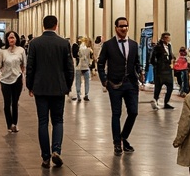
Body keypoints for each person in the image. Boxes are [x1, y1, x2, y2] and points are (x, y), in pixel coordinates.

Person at [25, 14, 74, 168]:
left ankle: (45, 157)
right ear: (56, 26)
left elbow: (30, 67)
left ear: (43, 26)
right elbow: (69, 68)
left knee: (43, 121)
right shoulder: (64, 43)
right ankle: (56, 150)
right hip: (58, 88)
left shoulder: (34, 43)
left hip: (40, 88)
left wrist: (30, 85)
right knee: (58, 120)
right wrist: (68, 86)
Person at [97, 16, 141, 155]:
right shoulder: (108, 45)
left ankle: (123, 137)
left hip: (131, 84)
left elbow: (136, 62)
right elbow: (100, 63)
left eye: (126, 26)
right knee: (116, 113)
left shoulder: (134, 44)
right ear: (116, 28)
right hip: (114, 84)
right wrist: (104, 80)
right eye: (121, 26)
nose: (124, 28)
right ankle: (117, 143)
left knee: (133, 112)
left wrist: (139, 74)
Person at [0, 30, 26, 133]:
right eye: (10, 37)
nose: (11, 39)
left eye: (13, 37)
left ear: (16, 39)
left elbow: (24, 64)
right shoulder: (2, 51)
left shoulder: (21, 50)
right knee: (7, 103)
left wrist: (21, 74)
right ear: (7, 39)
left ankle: (14, 124)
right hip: (5, 80)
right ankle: (9, 124)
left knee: (15, 102)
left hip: (17, 79)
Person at [149, 32, 175, 109]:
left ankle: (166, 102)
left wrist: (172, 60)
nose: (168, 39)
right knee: (158, 86)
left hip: (168, 69)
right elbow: (152, 59)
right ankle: (155, 100)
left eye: (169, 38)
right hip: (159, 70)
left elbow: (170, 56)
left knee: (170, 86)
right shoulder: (157, 47)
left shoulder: (169, 46)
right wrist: (156, 66)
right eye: (166, 38)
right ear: (163, 38)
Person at [72, 35, 94, 102]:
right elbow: (91, 58)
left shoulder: (78, 47)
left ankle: (78, 95)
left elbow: (75, 55)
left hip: (78, 67)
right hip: (86, 67)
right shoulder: (89, 49)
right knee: (87, 82)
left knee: (78, 82)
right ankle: (86, 94)